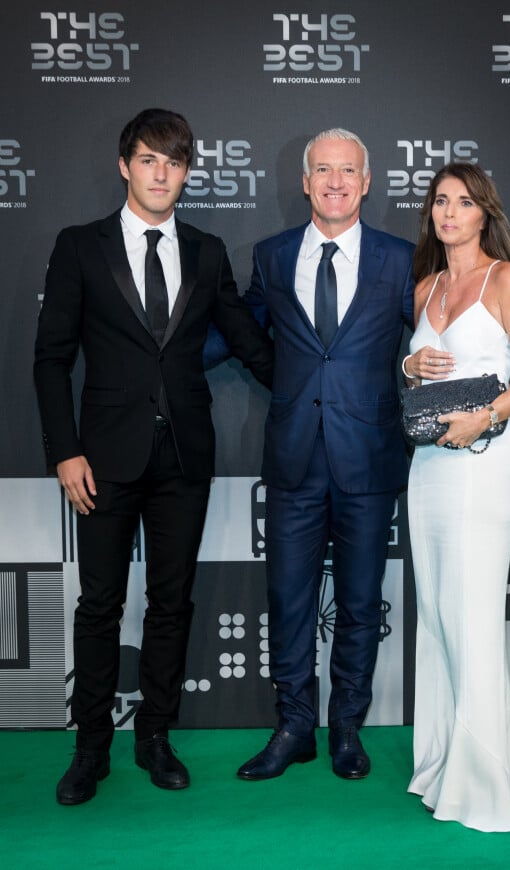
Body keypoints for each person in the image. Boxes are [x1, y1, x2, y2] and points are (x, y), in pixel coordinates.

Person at [33, 108, 273, 805]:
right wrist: (64, 452)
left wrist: (319, 385)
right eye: (147, 159)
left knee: (172, 604)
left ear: (188, 171)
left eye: (173, 161)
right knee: (100, 604)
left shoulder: (206, 249)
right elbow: (52, 360)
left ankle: (155, 739)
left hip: (184, 458)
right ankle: (90, 751)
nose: (160, 172)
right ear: (125, 166)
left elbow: (247, 344)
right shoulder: (80, 246)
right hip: (102, 460)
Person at [236, 128, 415, 781]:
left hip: (369, 458)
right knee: (288, 597)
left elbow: (434, 335)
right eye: (322, 171)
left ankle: (346, 729)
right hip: (292, 458)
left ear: (366, 183)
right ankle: (292, 727)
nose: (335, 181)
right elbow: (243, 331)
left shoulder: (402, 258)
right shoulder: (274, 254)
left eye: (348, 171)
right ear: (305, 182)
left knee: (361, 602)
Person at [402, 162, 510, 831]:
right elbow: (422, 378)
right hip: (428, 466)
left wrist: (487, 416)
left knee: (470, 610)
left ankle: (484, 777)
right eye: (440, 201)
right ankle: (442, 763)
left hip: (484, 461)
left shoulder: (505, 279)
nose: (449, 212)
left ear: (484, 213)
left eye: (463, 202)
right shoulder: (425, 287)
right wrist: (407, 365)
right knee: (436, 609)